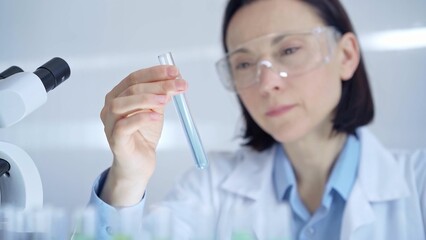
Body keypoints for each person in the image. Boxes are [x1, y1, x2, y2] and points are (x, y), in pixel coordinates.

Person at [88, 0, 426, 239]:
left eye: (289, 50)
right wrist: (128, 177)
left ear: (347, 56)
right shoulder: (209, 189)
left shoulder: (418, 186)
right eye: (245, 64)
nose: (266, 83)